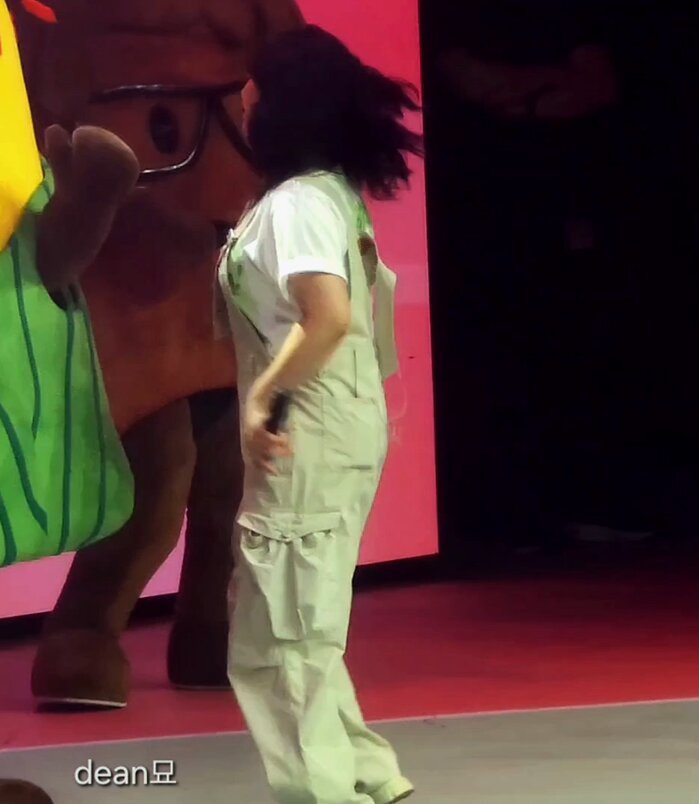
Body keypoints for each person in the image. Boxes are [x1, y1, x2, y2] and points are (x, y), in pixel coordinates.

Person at [215, 24, 420, 804]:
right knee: (302, 622)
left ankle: (322, 793)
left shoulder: (299, 203)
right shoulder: (329, 193)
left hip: (306, 430)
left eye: (254, 84)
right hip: (337, 425)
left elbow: (325, 316)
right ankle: (369, 775)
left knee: (280, 638)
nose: (243, 96)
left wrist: (264, 397)